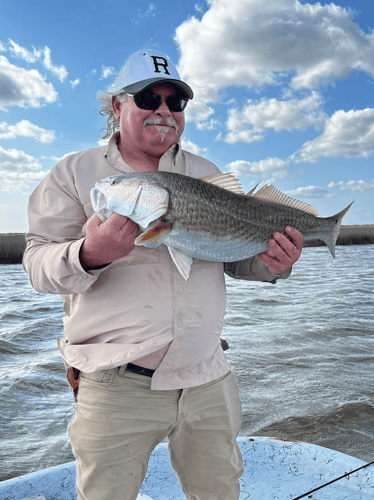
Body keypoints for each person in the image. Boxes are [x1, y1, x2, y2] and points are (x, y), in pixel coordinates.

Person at [23, 49, 304, 500]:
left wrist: (274, 264)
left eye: (176, 102)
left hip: (207, 374)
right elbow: (37, 264)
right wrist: (91, 253)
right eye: (148, 97)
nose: (163, 110)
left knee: (220, 493)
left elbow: (231, 258)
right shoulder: (74, 174)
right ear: (118, 105)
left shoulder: (206, 173)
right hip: (116, 383)